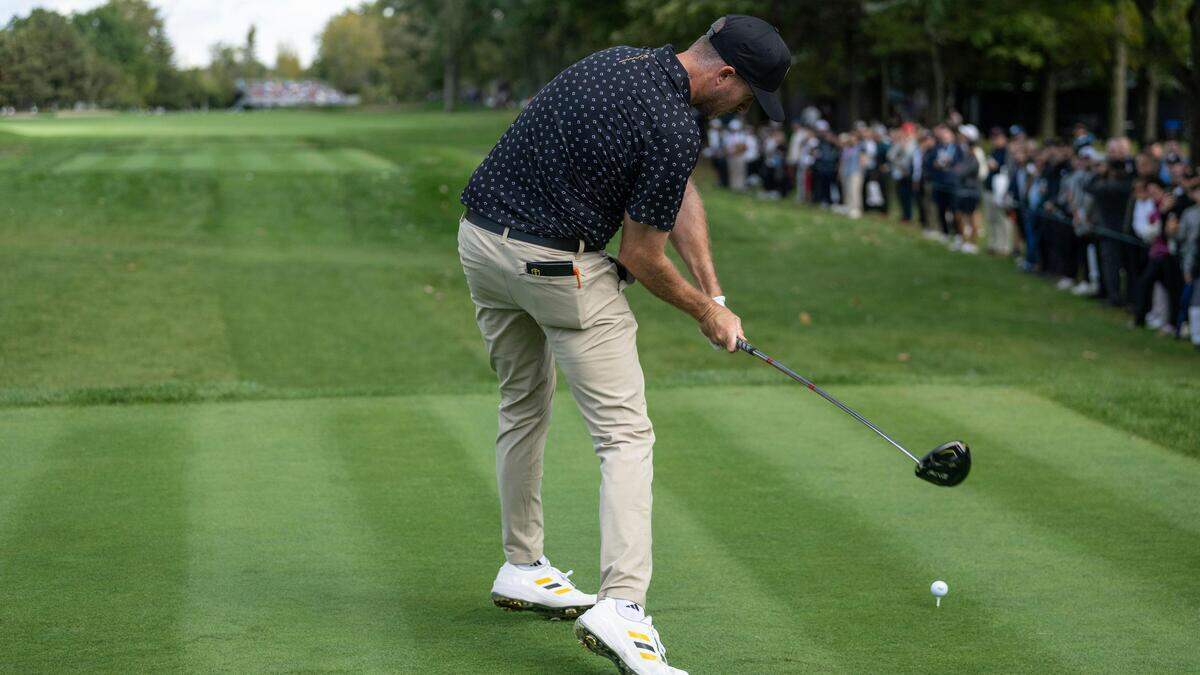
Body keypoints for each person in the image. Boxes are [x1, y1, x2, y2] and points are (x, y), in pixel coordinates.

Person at [456, 15, 790, 674]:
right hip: (553, 266)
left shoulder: (618, 62)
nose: (744, 108)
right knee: (625, 434)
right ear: (724, 74)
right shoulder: (670, 124)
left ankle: (523, 563)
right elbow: (643, 254)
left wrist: (715, 291)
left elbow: (677, 190)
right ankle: (623, 606)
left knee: (524, 405)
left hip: (480, 243)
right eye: (748, 95)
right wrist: (703, 313)